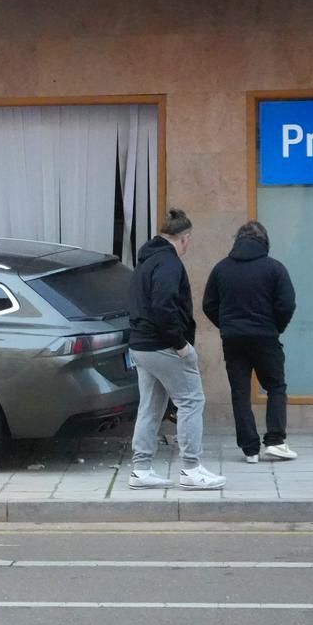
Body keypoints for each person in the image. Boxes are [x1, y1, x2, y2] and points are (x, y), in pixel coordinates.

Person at [126, 208, 225, 490]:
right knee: (192, 401)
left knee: (150, 407)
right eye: (189, 241)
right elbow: (163, 306)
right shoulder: (169, 264)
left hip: (141, 344)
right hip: (163, 345)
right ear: (184, 238)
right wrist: (181, 344)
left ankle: (141, 470)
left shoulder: (145, 262)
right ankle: (192, 469)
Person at [202, 220, 297, 464]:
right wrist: (276, 327)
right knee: (275, 386)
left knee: (240, 392)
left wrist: (227, 326)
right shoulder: (274, 268)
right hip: (266, 337)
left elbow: (208, 305)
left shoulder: (221, 269)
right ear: (264, 242)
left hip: (233, 340)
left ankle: (250, 449)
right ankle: (275, 441)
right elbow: (287, 304)